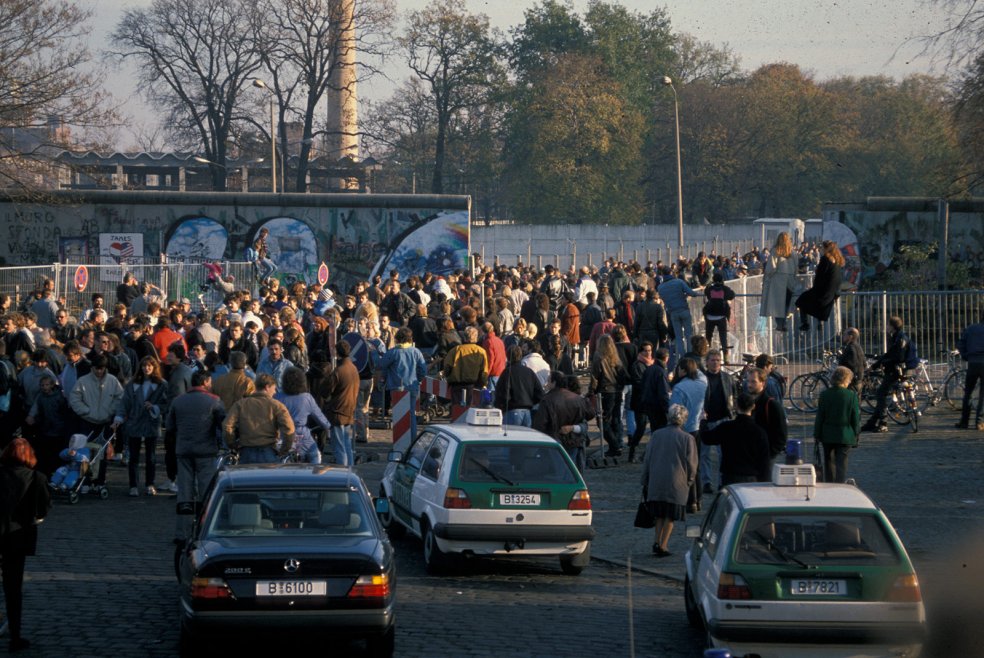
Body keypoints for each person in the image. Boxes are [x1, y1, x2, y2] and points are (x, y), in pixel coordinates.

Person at [0, 439, 50, 652]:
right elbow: (42, 509)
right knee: (13, 589)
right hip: (16, 538)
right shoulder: (37, 478)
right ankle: (15, 636)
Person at [166, 370, 225, 543]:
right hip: (206, 452)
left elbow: (170, 427)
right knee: (206, 493)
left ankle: (182, 533)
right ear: (206, 381)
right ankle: (203, 530)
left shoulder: (178, 401)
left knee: (184, 493)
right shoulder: (214, 401)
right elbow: (222, 425)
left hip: (183, 451)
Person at [640, 404, 698, 558]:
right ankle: (663, 545)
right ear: (684, 419)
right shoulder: (688, 438)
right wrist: (690, 481)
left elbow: (648, 458)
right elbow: (692, 464)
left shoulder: (657, 435)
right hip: (677, 483)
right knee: (670, 516)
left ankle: (656, 541)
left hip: (657, 481)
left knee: (659, 514)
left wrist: (645, 479)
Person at [114, 356, 170, 497]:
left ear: (154, 367)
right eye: (144, 366)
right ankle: (133, 485)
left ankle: (149, 484)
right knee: (134, 456)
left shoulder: (162, 384)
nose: (147, 368)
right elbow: (124, 403)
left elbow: (167, 403)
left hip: (151, 422)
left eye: (150, 365)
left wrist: (155, 407)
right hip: (134, 422)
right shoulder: (132, 384)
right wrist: (119, 418)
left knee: (151, 456)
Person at [68, 354, 123, 488]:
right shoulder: (82, 381)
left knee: (102, 453)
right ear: (92, 368)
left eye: (102, 368)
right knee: (84, 453)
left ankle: (100, 481)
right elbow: (74, 399)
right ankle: (86, 481)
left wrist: (110, 411)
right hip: (87, 422)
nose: (99, 371)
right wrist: (86, 411)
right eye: (97, 368)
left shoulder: (113, 381)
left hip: (105, 422)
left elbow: (120, 398)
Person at [700, 392, 771, 486]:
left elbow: (707, 438)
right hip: (751, 478)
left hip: (730, 476)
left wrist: (703, 421)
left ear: (737, 406)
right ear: (753, 406)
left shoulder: (727, 427)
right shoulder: (760, 432)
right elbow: (764, 461)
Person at [222, 374, 295, 464]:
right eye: (274, 388)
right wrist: (284, 450)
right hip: (268, 452)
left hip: (246, 453)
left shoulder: (240, 404)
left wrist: (232, 445)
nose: (275, 392)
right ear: (267, 387)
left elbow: (227, 426)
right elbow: (289, 429)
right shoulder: (277, 405)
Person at [532, 370, 596, 472]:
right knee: (571, 469)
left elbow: (540, 424)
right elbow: (590, 413)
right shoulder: (577, 398)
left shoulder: (547, 400)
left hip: (555, 440)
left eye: (549, 381)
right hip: (574, 440)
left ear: (554, 383)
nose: (546, 383)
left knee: (559, 471)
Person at [861, 316, 911, 433]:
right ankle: (872, 422)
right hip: (893, 370)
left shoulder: (900, 339)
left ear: (892, 326)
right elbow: (889, 354)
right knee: (880, 394)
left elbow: (897, 357)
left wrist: (882, 362)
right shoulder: (896, 337)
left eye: (888, 325)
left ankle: (883, 423)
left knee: (881, 395)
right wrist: (875, 365)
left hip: (896, 372)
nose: (886, 327)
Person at [376, 327, 427, 440]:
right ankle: (412, 439)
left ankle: (400, 441)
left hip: (396, 388)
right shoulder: (416, 352)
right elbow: (423, 370)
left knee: (398, 415)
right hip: (412, 387)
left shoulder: (393, 352)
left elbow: (382, 365)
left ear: (397, 339)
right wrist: (417, 380)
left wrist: (383, 379)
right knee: (411, 415)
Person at [814, 366, 860, 483]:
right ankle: (840, 484)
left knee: (828, 461)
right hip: (845, 435)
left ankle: (830, 484)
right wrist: (856, 434)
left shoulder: (825, 395)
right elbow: (855, 418)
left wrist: (817, 434)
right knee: (841, 463)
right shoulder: (851, 396)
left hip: (827, 434)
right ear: (846, 380)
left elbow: (820, 417)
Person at [276, 366, 331, 464]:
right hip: (303, 437)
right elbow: (320, 418)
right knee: (315, 455)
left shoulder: (277, 397)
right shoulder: (307, 398)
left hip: (283, 437)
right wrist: (328, 427)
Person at [320, 341, 359, 466]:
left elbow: (325, 391)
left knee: (339, 447)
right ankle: (351, 470)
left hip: (337, 411)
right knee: (347, 445)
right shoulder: (353, 368)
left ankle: (343, 472)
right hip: (349, 410)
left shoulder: (339, 370)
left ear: (337, 352)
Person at [701, 349, 735, 493]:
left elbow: (734, 395)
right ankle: (706, 482)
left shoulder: (727, 378)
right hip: (707, 421)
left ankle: (723, 481)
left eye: (717, 360)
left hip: (723, 420)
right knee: (705, 454)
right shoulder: (701, 378)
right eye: (713, 360)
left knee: (724, 454)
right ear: (707, 362)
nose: (716, 363)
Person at [589, 334, 629, 458]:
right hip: (616, 390)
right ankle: (616, 446)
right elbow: (622, 374)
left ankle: (615, 445)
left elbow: (595, 376)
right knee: (615, 419)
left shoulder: (598, 357)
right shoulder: (615, 357)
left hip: (606, 391)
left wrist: (592, 391)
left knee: (603, 421)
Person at [797, 240, 845, 332]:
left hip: (824, 291)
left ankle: (805, 324)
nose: (821, 249)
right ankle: (820, 323)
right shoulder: (837, 260)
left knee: (801, 300)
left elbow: (820, 276)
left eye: (823, 248)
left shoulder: (825, 259)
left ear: (827, 248)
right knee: (817, 305)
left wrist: (814, 287)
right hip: (833, 292)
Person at [657, 270, 701, 366]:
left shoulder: (660, 287)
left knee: (678, 337)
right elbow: (691, 293)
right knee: (688, 334)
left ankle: (682, 356)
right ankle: (690, 355)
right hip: (684, 310)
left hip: (673, 313)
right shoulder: (679, 282)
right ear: (671, 273)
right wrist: (692, 294)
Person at [494, 345, 544, 427]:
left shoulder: (507, 372)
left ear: (508, 356)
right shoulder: (529, 372)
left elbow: (503, 394)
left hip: (512, 411)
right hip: (527, 412)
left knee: (511, 438)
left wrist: (500, 406)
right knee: (525, 439)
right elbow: (540, 394)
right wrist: (530, 402)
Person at [759, 232, 799, 331]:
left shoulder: (775, 251)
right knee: (786, 303)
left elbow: (771, 267)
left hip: (778, 280)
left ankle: (779, 324)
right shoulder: (792, 252)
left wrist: (767, 276)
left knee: (777, 304)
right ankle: (784, 322)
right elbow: (796, 267)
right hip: (790, 280)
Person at [746, 367, 788, 460]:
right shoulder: (746, 402)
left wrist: (771, 453)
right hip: (749, 454)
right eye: (748, 381)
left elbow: (782, 433)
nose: (749, 385)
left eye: (753, 382)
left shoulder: (771, 404)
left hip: (765, 454)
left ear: (763, 383)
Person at [955, 315, 984, 430]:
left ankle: (964, 421)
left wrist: (966, 356)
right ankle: (980, 422)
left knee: (968, 392)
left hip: (973, 363)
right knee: (983, 395)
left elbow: (960, 344)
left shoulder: (971, 328)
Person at [702, 272, 735, 360]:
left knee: (708, 336)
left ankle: (707, 356)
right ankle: (726, 357)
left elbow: (706, 293)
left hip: (709, 316)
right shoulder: (725, 289)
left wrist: (709, 285)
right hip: (721, 316)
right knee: (723, 337)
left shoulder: (710, 288)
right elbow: (732, 295)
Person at [838, 327, 867, 397]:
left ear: (850, 337)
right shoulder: (857, 346)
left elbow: (851, 364)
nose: (843, 336)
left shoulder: (850, 348)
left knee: (850, 401)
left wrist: (841, 357)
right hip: (858, 379)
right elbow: (863, 362)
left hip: (852, 381)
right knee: (856, 402)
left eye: (845, 334)